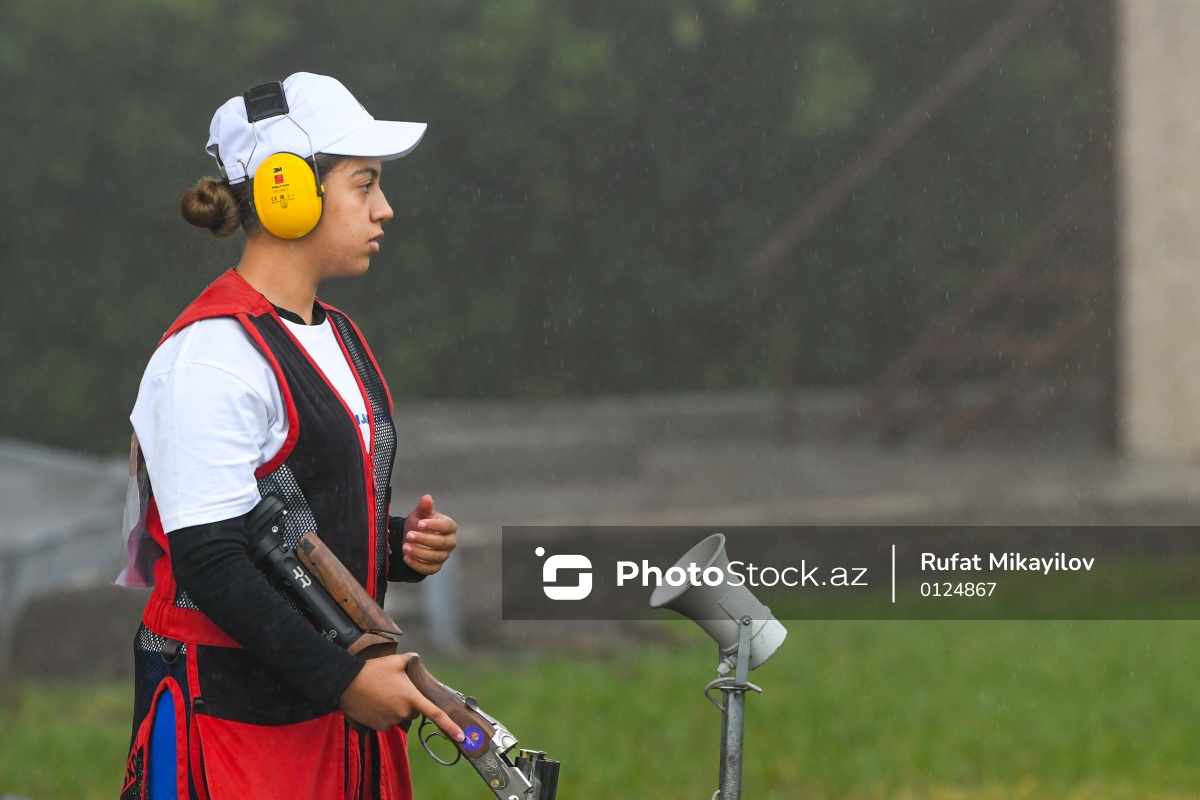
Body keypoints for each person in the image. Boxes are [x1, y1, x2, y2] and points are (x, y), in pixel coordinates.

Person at [117, 72, 462, 800]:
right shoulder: (211, 355)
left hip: (330, 714)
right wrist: (344, 681)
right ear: (287, 192)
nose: (385, 208)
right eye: (364, 185)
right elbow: (212, 561)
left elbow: (284, 518)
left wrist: (394, 544)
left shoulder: (338, 335)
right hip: (237, 730)